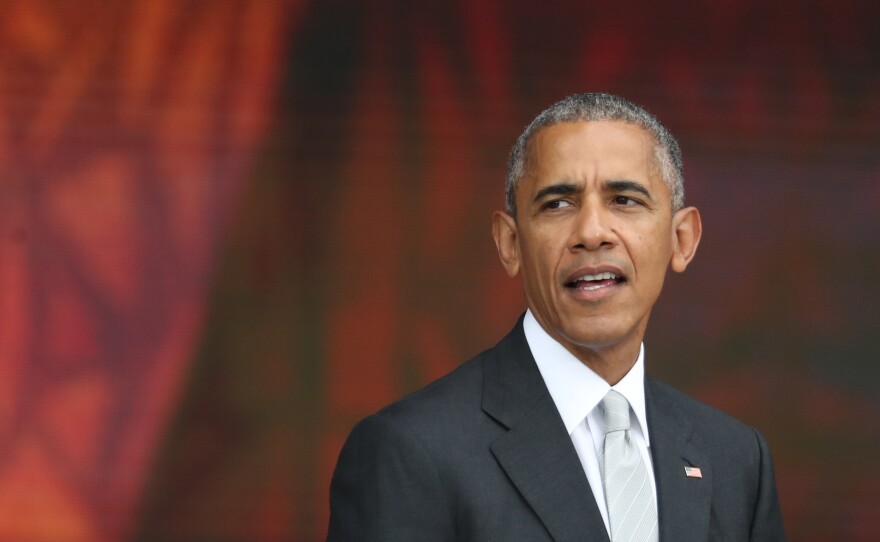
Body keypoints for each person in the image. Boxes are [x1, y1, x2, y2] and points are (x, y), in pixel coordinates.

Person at [327, 93, 785, 541]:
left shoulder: (736, 459)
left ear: (682, 239)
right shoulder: (408, 452)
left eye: (624, 200)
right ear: (509, 244)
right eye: (557, 204)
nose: (591, 232)